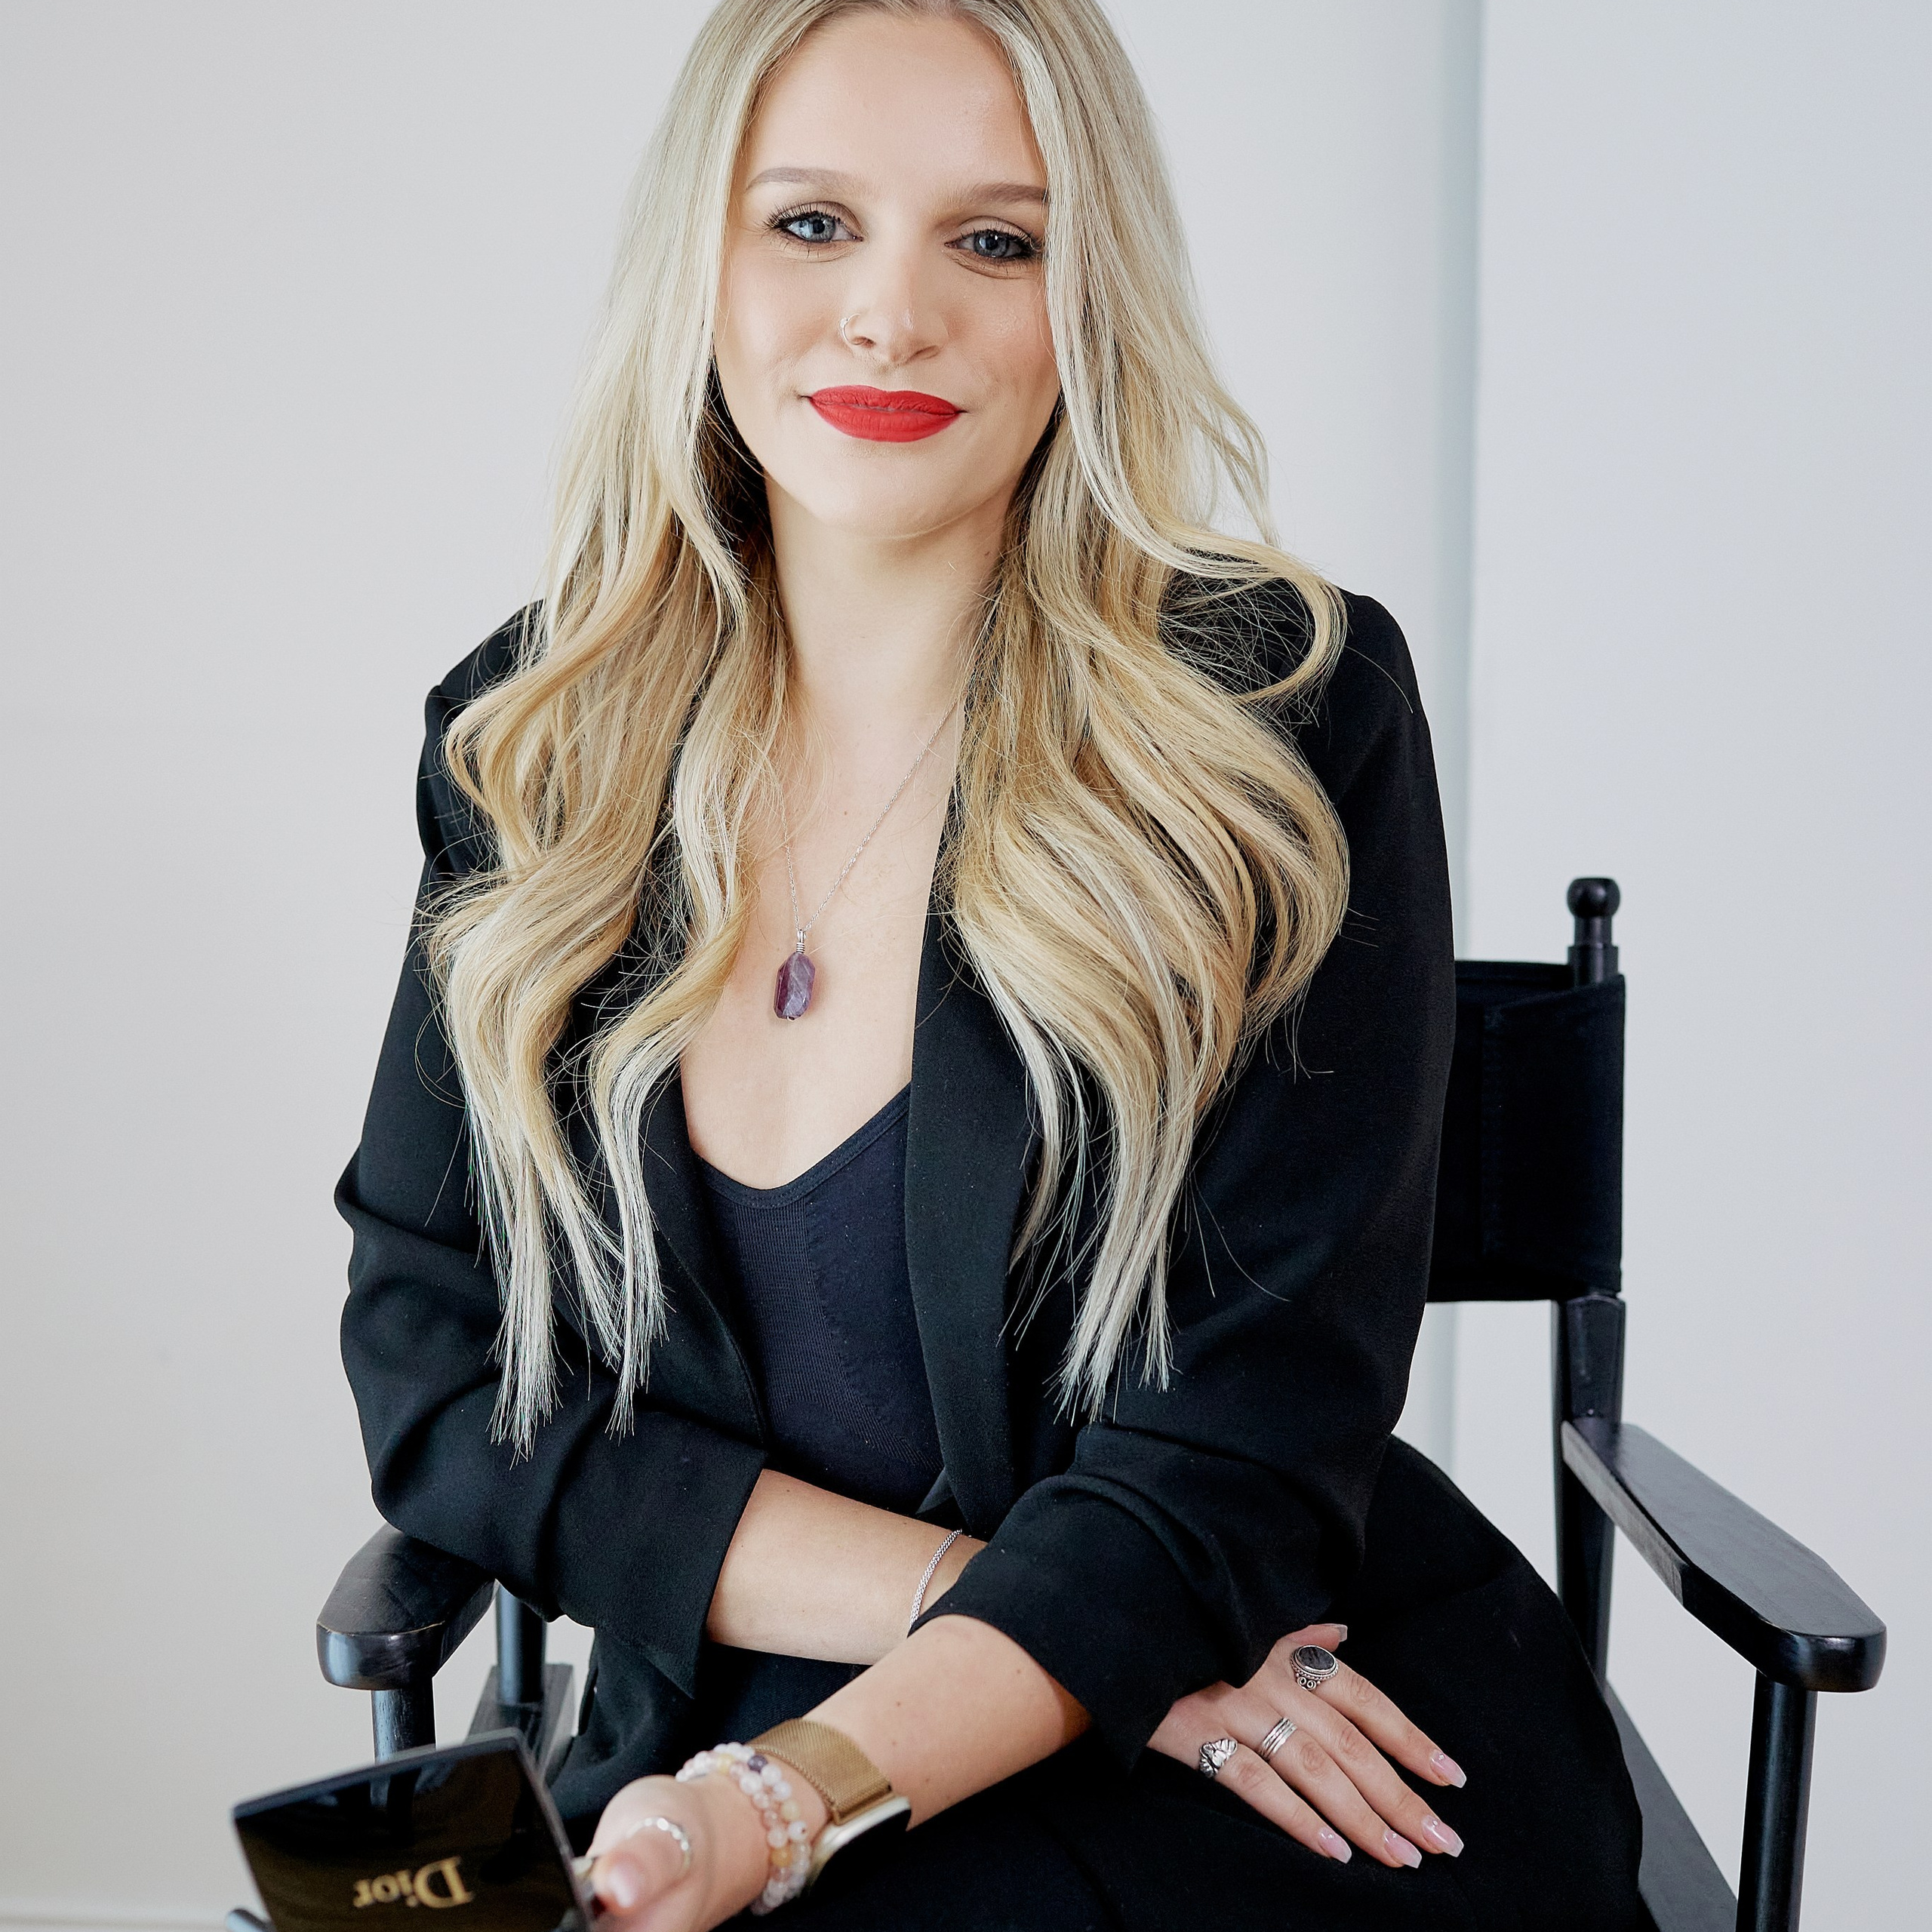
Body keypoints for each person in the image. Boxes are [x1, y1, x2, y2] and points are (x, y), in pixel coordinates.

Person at [337, 2, 1644, 1926]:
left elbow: (1244, 1439)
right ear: (699, 260)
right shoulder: (533, 748)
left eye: (994, 239)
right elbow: (445, 1382)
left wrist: (780, 1807)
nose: (889, 314)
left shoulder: (1279, 721)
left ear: (1087, 292)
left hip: (1267, 1731)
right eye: (809, 223)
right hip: (895, 1683)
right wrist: (980, 1615)